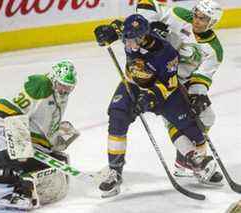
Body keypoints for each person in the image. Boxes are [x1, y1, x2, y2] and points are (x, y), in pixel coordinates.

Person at [94, 13, 222, 198]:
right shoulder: (130, 34)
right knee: (117, 117)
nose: (127, 44)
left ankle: (197, 162)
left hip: (163, 91)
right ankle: (115, 171)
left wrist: (149, 99)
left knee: (192, 127)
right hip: (132, 85)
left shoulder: (166, 53)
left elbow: (168, 85)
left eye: (130, 41)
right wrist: (105, 32)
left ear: (142, 37)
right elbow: (117, 27)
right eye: (125, 40)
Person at [135, 0, 224, 179]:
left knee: (207, 117)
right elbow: (150, 7)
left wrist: (198, 94)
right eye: (196, 15)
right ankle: (196, 162)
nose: (197, 20)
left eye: (203, 19)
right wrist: (152, 26)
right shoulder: (178, 14)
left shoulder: (215, 49)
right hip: (160, 75)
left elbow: (203, 74)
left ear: (212, 22)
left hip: (184, 83)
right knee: (174, 120)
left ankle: (184, 159)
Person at [0, 60, 80, 210]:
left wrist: (53, 143)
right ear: (53, 79)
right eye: (62, 85)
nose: (65, 90)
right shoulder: (42, 84)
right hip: (8, 118)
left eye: (69, 87)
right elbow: (11, 111)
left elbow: (46, 123)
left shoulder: (62, 95)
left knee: (50, 157)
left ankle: (4, 170)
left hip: (23, 125)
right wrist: (16, 142)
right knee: (23, 156)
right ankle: (7, 173)